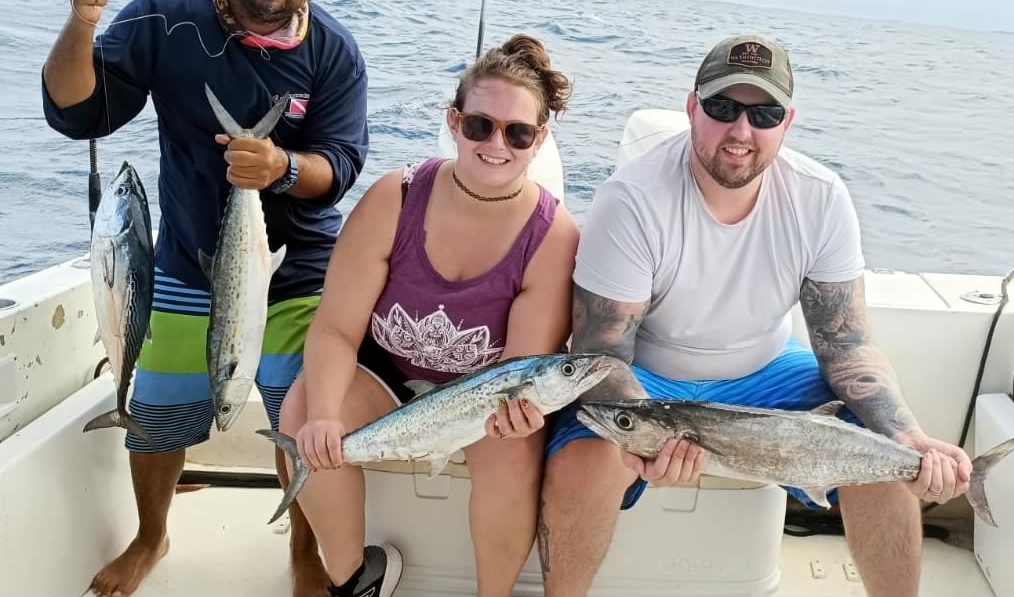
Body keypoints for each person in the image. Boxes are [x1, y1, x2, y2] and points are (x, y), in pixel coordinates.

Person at [536, 35, 974, 597]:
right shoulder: (631, 200)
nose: (741, 131)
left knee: (879, 454)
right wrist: (654, 435)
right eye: (722, 108)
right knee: (583, 464)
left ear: (786, 122)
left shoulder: (821, 198)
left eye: (763, 114)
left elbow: (846, 346)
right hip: (648, 377)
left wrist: (906, 435)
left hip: (768, 367)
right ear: (692, 108)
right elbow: (601, 354)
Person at [42, 0, 368, 597]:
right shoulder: (166, 15)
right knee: (156, 412)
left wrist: (281, 167)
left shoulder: (334, 52)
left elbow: (340, 166)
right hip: (190, 259)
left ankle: (305, 553)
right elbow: (79, 111)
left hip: (301, 269)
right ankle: (151, 535)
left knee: (307, 416)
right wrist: (82, 19)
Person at [277, 33, 580, 597]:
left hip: (481, 393)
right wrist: (323, 414)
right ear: (453, 120)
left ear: (538, 140)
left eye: (517, 132)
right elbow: (337, 328)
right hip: (386, 371)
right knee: (301, 414)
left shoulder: (554, 235)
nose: (497, 144)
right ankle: (353, 579)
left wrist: (517, 413)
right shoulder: (397, 195)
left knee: (514, 455)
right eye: (479, 125)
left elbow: (517, 371)